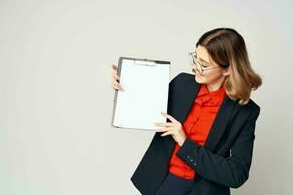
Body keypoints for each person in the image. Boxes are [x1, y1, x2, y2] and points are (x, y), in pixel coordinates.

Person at [110, 27, 262, 195]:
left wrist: (185, 142)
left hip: (205, 190)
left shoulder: (245, 112)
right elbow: (144, 109)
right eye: (195, 57)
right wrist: (126, 83)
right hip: (162, 183)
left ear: (227, 69)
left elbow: (236, 174)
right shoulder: (182, 83)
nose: (194, 67)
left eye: (203, 65)